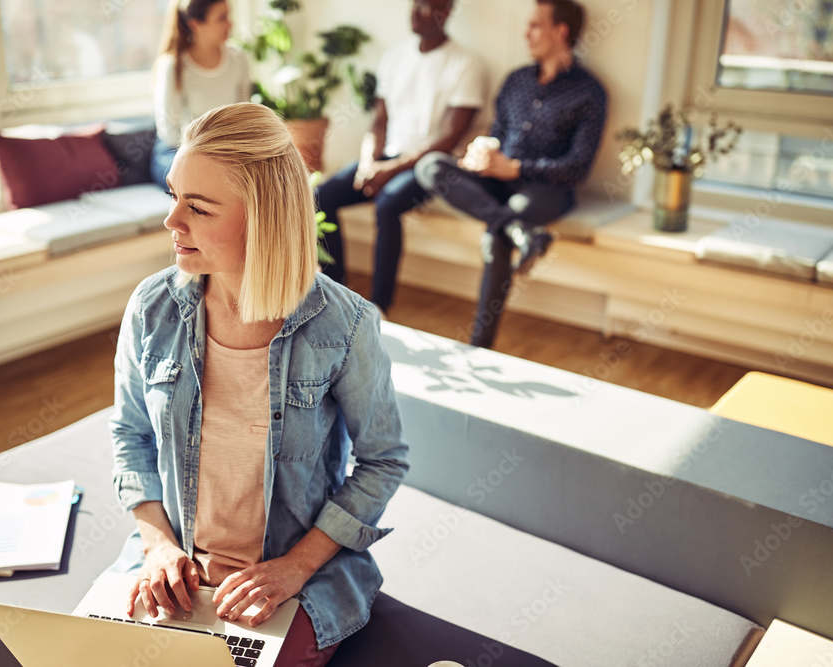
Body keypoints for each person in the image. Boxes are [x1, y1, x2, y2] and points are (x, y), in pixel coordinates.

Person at [108, 103, 409, 666]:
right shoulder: (151, 308)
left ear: (262, 216)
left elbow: (382, 460)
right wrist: (158, 546)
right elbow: (130, 435)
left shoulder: (345, 326)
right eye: (173, 196)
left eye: (197, 207)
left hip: (299, 577)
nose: (172, 221)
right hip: (176, 571)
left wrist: (295, 567)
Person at [415, 0, 607, 348]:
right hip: (495, 179)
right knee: (430, 167)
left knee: (496, 233)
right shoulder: (516, 80)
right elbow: (498, 134)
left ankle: (480, 345)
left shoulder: (589, 92)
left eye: (535, 25)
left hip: (545, 188)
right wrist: (482, 152)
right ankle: (522, 232)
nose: (526, 33)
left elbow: (577, 167)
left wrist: (516, 167)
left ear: (560, 31)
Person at [315, 0, 486, 316]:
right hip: (384, 159)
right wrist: (369, 162)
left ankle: (379, 306)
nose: (416, 12)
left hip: (428, 168)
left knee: (388, 204)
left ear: (446, 11)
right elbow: (379, 122)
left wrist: (389, 169)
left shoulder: (465, 64)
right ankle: (335, 291)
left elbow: (447, 140)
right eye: (414, 4)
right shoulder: (395, 57)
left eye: (426, 6)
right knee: (321, 196)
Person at [151, 0, 251, 188]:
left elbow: (242, 116)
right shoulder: (173, 66)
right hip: (175, 152)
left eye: (228, 15)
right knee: (209, 181)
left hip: (222, 151)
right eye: (221, 18)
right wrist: (209, 155)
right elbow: (169, 132)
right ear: (195, 24)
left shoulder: (238, 59)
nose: (230, 24)